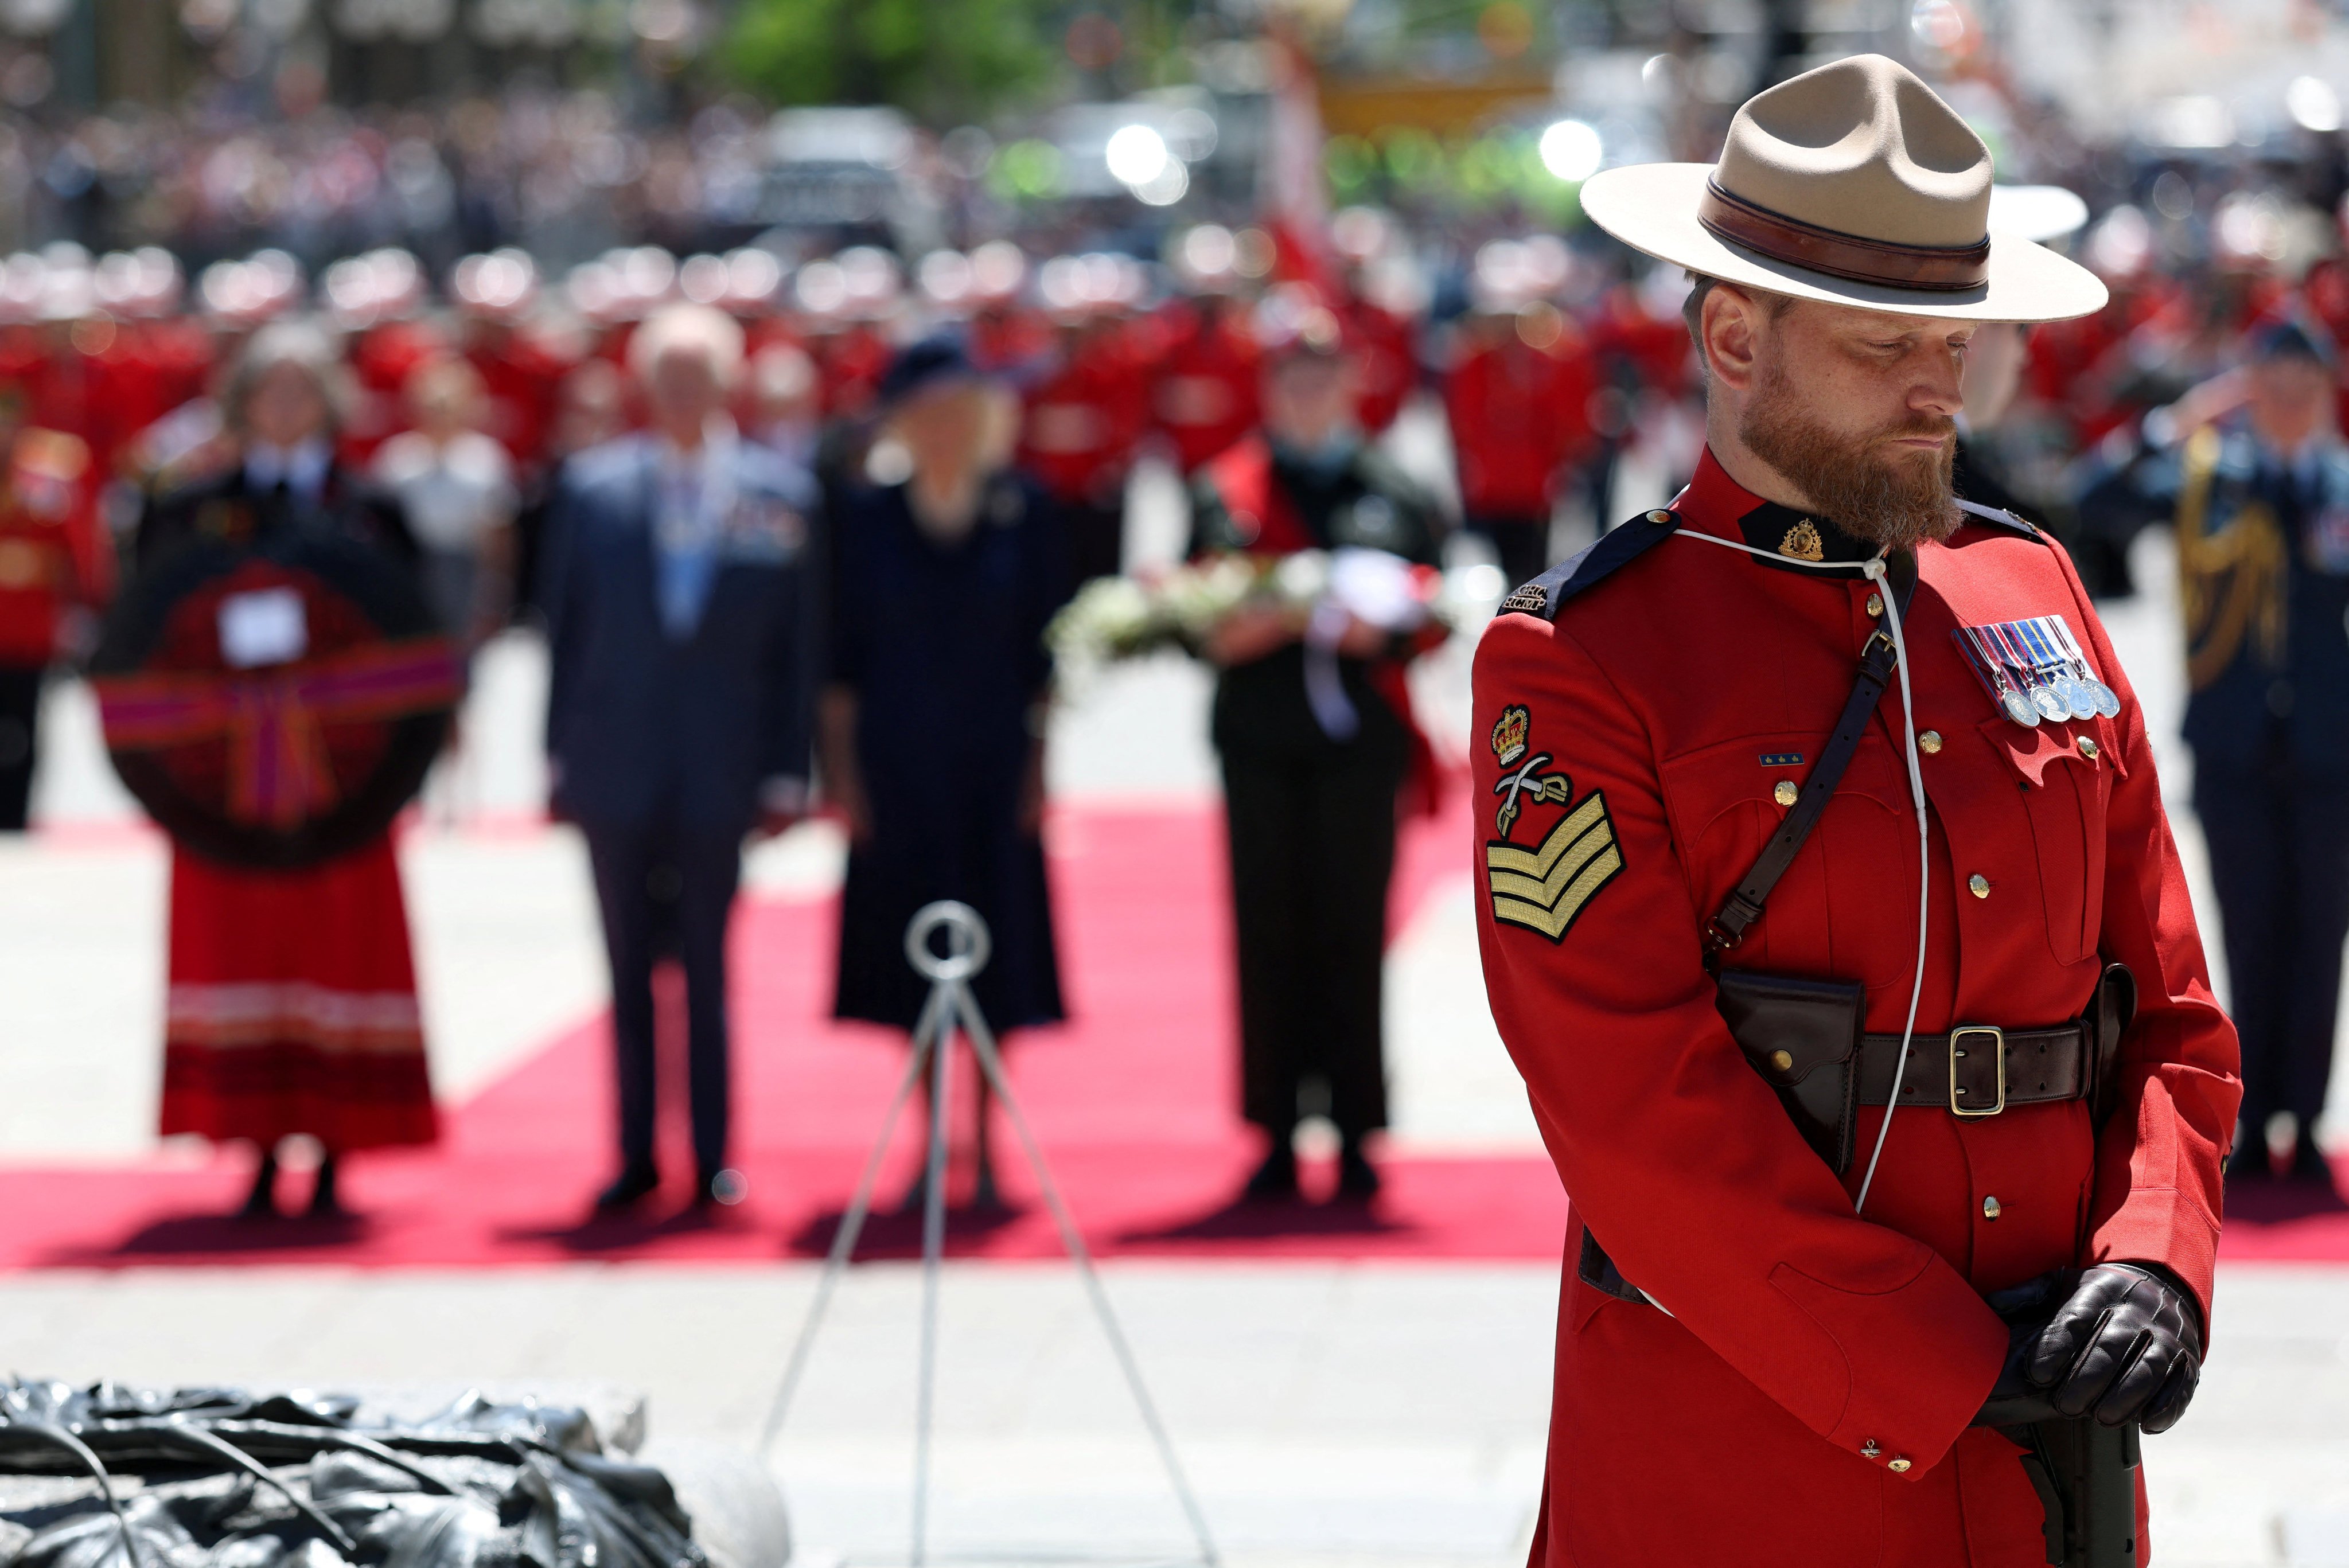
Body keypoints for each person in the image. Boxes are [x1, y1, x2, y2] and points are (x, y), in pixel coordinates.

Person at [1474, 56, 2238, 1564]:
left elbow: (2165, 1017)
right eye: (1881, 341)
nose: (1932, 389)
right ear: (1732, 333)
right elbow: (1634, 1113)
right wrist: (1938, 1362)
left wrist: (2153, 1256)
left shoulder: (2030, 591)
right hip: (1744, 1458)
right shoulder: (1583, 659)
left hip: (2049, 1467)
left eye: (1947, 342)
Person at [137, 321, 438, 1219]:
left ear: (329, 402)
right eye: (269, 390)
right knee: (243, 950)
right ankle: (257, 1144)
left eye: (302, 389)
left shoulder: (371, 509)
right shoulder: (187, 510)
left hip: (340, 789)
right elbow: (146, 646)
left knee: (340, 950)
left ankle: (340, 1142)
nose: (284, 406)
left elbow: (416, 648)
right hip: (226, 791)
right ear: (240, 401)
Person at [540, 302, 819, 1215]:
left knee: (708, 967)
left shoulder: (779, 494)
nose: (683, 392)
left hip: (720, 765)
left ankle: (709, 1151)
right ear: (642, 385)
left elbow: (795, 651)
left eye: (698, 374)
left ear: (729, 383)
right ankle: (631, 1151)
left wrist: (788, 768)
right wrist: (555, 760)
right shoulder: (593, 489)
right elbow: (566, 634)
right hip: (617, 761)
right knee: (623, 969)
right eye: (667, 375)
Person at [2079, 317, 2349, 1192]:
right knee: (2243, 934)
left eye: (2302, 381)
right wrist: (2179, 418)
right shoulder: (2208, 479)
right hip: (2234, 751)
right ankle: (2251, 1107)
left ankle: (2302, 1122)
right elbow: (2093, 499)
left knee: (2317, 940)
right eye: (2269, 379)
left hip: (2324, 756)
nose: (2285, 397)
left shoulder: (2337, 486)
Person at [1187, 306, 1445, 1203]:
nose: (1304, 392)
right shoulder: (1225, 490)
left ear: (1350, 383)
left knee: (1352, 931)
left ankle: (1355, 1129)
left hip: (1358, 751)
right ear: (1265, 389)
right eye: (1288, 376)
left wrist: (1377, 626)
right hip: (1259, 743)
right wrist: (1276, 618)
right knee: (1266, 931)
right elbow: (1196, 619)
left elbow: (1434, 610)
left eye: (1321, 374)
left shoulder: (1394, 489)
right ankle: (1270, 1129)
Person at [823, 336, 1070, 1208]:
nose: (944, 429)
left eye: (959, 413)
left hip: (995, 767)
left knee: (997, 954)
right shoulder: (863, 518)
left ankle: (991, 1144)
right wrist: (840, 778)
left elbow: (1050, 659)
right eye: (927, 414)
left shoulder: (1022, 510)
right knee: (909, 957)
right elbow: (838, 663)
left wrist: (1044, 768)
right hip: (895, 767)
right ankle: (931, 1140)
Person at [0, 389, 111, 830]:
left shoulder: (44, 476)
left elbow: (77, 545)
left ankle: (17, 812)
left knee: (26, 723)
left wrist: (88, 602)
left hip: (29, 623)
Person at [372, 357, 519, 648]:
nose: (440, 416)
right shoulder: (397, 460)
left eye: (448, 407)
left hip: (464, 570)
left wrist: (495, 599)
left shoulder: (485, 460)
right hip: (411, 567)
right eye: (432, 407)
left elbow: (499, 539)